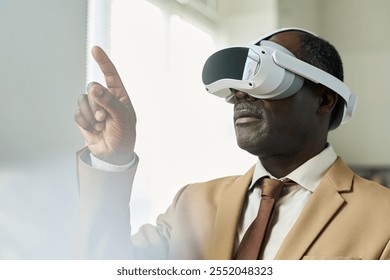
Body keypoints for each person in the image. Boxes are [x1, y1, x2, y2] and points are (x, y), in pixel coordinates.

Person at [74, 28, 390, 260]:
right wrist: (112, 162)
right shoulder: (192, 202)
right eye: (236, 86)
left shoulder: (381, 218)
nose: (241, 95)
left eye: (266, 77)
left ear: (324, 99)